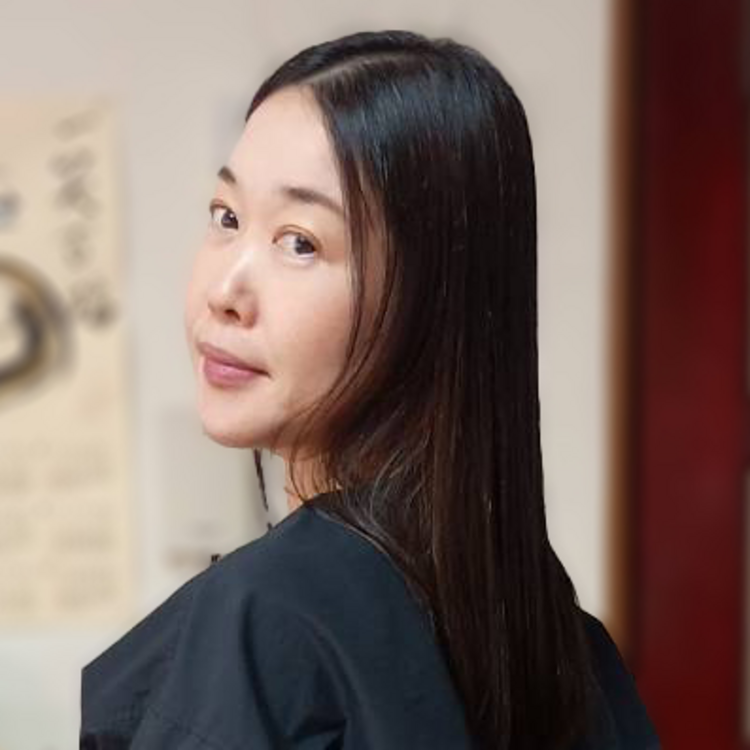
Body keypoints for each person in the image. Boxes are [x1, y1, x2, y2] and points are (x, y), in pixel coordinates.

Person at [79, 29, 660, 750]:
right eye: (226, 217)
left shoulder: (269, 624)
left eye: (300, 242)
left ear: (431, 299)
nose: (224, 291)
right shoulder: (565, 645)